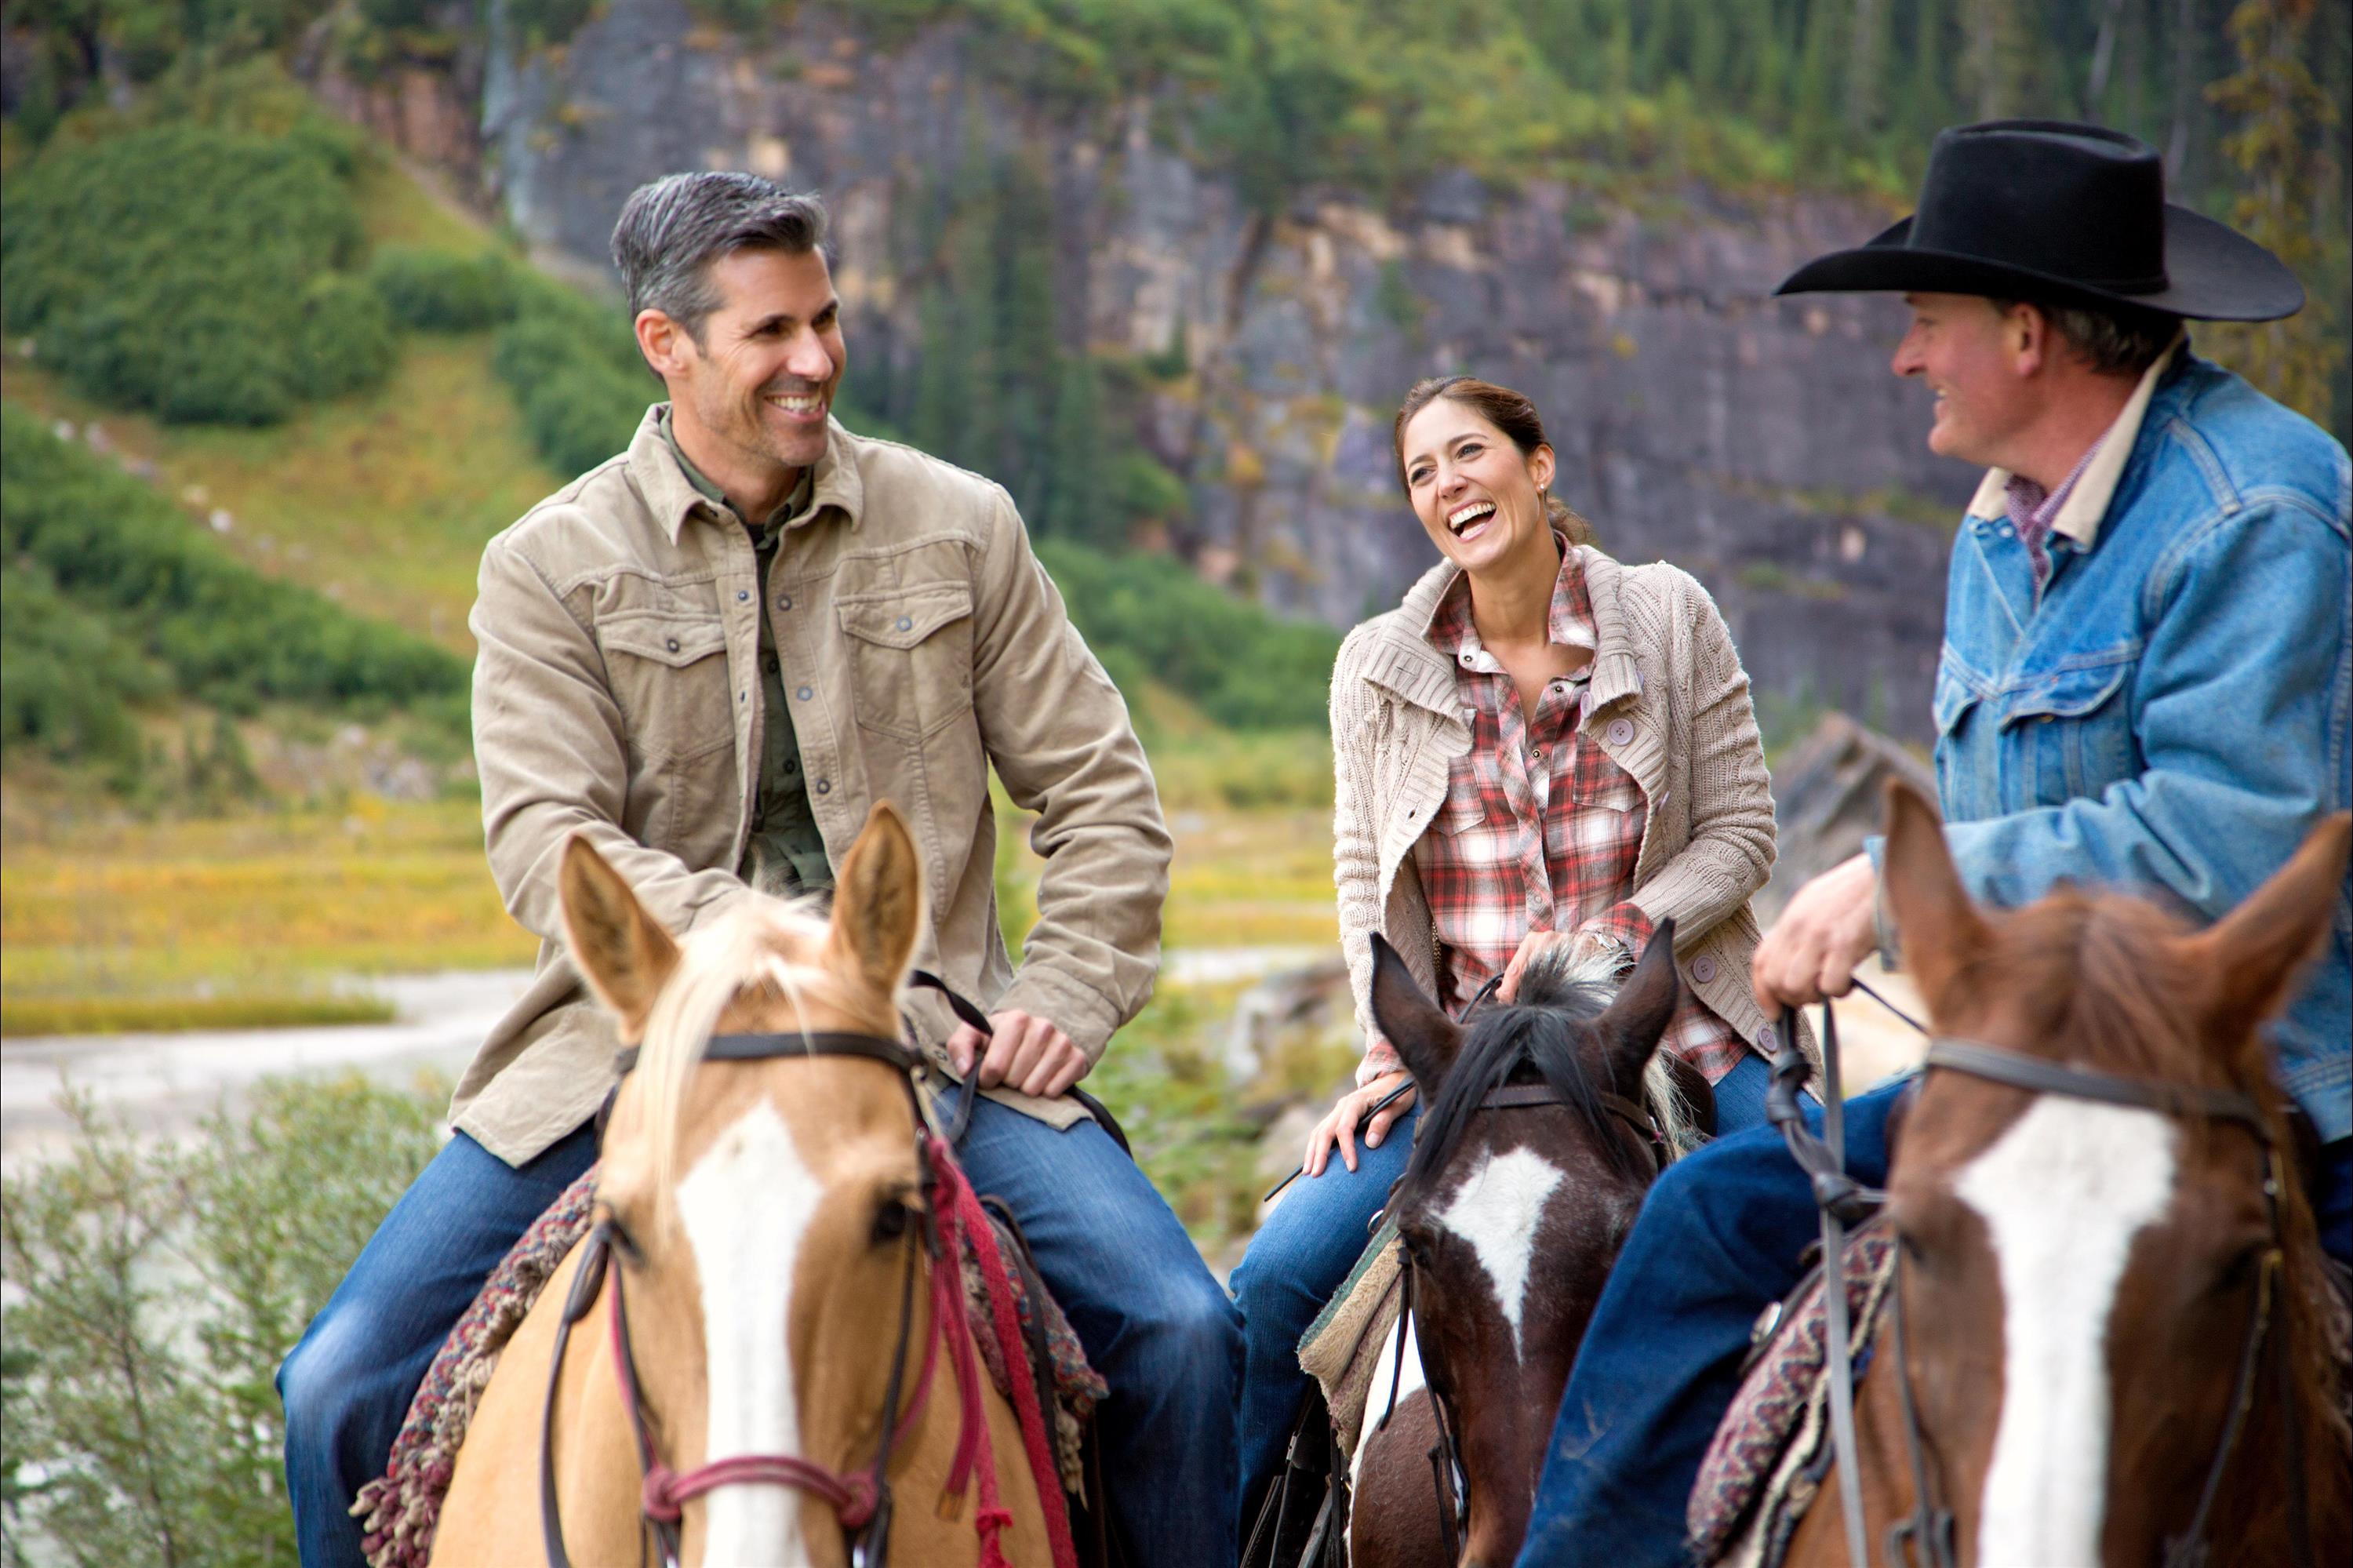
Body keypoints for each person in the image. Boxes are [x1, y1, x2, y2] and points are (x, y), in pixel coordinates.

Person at [275, 173, 1243, 1568]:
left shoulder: (961, 524)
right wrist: (777, 953)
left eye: (828, 320)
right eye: (772, 332)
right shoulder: (546, 566)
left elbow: (1103, 793)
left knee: (1187, 1337)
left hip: (935, 1049)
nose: (816, 360)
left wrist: (1072, 994)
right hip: (624, 1057)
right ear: (666, 346)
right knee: (338, 1390)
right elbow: (549, 839)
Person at [1514, 119, 2350, 1568]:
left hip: (2268, 1098)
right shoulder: (1996, 531)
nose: (1905, 359)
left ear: (2026, 335)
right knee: (1712, 1213)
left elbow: (2239, 833)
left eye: (1925, 322)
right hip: (2035, 1080)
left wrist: (1903, 893)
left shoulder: (2261, 511)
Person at [1229, 374, 1798, 1522]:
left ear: (1537, 467)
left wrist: (1615, 932)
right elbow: (1365, 883)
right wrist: (1395, 1062)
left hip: (1676, 1033)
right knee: (1280, 1270)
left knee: (1839, 1217)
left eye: (1468, 453)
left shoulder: (1668, 614)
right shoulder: (1377, 667)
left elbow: (1743, 829)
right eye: (1419, 474)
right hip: (1474, 1062)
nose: (1446, 485)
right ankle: (1231, 1533)